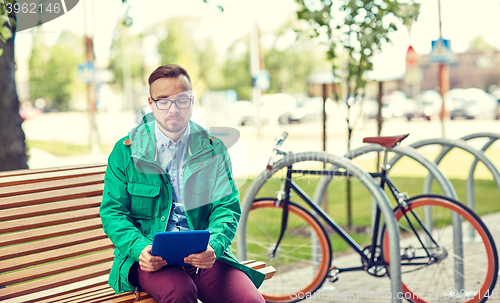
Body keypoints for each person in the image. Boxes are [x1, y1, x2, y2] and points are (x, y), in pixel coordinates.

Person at [100, 64, 266, 303]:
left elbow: (226, 208)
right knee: (179, 291)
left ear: (192, 100)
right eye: (163, 101)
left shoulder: (212, 149)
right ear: (151, 103)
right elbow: (113, 213)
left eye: (182, 100)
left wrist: (214, 246)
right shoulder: (126, 151)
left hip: (203, 255)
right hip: (150, 259)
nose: (173, 109)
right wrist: (140, 250)